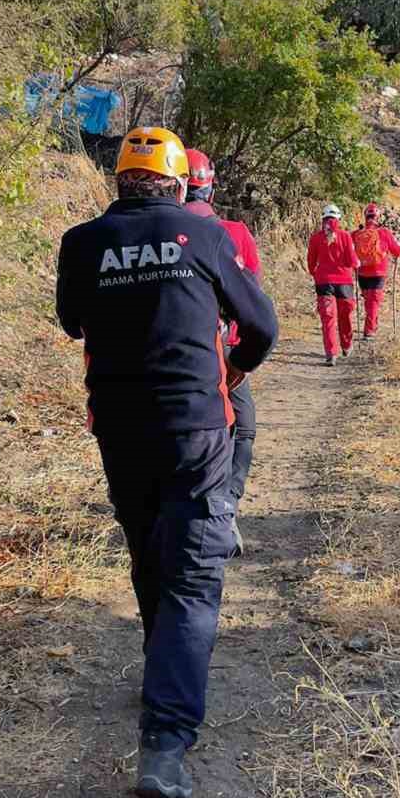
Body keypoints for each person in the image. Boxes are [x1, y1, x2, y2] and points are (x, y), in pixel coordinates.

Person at [56, 126, 278, 798]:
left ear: (118, 180)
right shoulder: (205, 235)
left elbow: (71, 321)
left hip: (120, 432)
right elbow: (262, 326)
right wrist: (231, 371)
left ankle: (162, 676)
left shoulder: (81, 242)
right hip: (197, 430)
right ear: (181, 184)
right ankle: (166, 741)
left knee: (150, 552)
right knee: (192, 575)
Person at [183, 148, 261, 551]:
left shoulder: (139, 232)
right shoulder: (234, 233)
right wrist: (240, 361)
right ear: (210, 188)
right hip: (220, 355)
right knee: (240, 427)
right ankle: (225, 508)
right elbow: (254, 307)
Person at [307, 204, 359, 366]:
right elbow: (352, 260)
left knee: (328, 318)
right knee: (345, 317)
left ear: (323, 219)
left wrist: (317, 274)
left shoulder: (316, 238)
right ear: (339, 219)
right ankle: (346, 345)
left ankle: (331, 353)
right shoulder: (345, 236)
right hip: (344, 283)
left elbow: (310, 263)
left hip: (324, 283)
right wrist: (357, 264)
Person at [352, 203, 400, 339]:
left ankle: (373, 324)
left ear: (365, 217)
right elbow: (397, 251)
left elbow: (347, 249)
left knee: (369, 301)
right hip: (378, 272)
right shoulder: (384, 232)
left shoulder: (356, 233)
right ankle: (369, 331)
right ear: (377, 217)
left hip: (362, 272)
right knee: (373, 302)